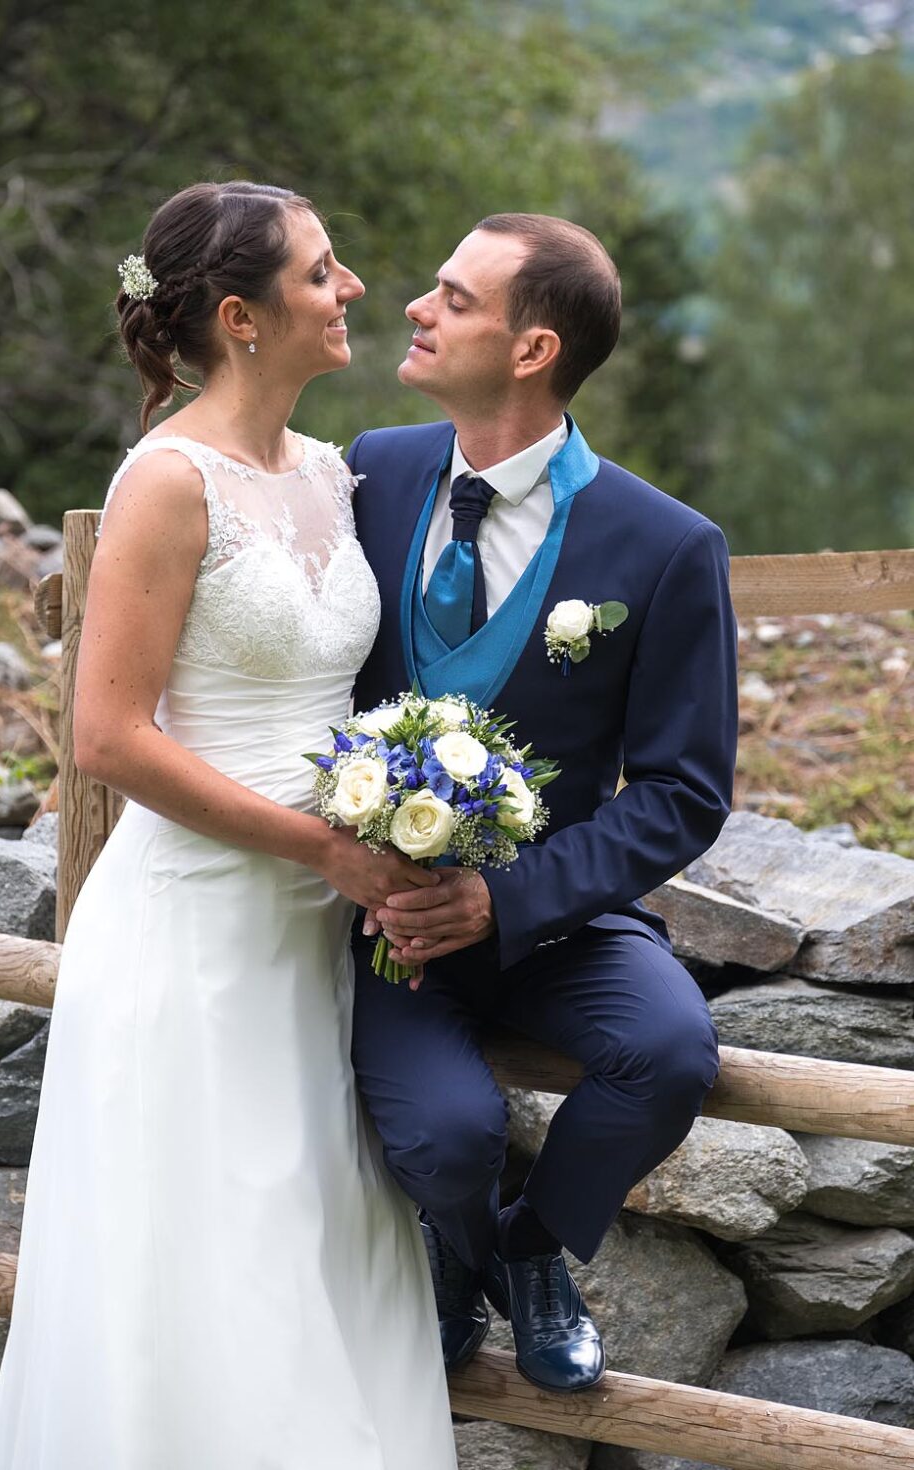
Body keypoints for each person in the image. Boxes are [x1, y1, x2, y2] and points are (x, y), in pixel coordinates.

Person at [0, 181, 458, 1470]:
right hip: (193, 935)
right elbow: (108, 738)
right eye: (322, 272)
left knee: (310, 1249)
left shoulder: (329, 472)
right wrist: (326, 848)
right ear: (241, 318)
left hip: (318, 940)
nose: (353, 286)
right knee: (204, 1268)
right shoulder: (165, 482)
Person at [347, 213, 738, 1393]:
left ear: (530, 350)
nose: (416, 307)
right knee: (447, 1134)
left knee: (670, 1052)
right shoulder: (373, 470)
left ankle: (531, 1253)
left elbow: (681, 790)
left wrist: (503, 899)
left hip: (554, 918)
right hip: (381, 929)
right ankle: (463, 1246)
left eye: (453, 298)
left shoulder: (665, 544)